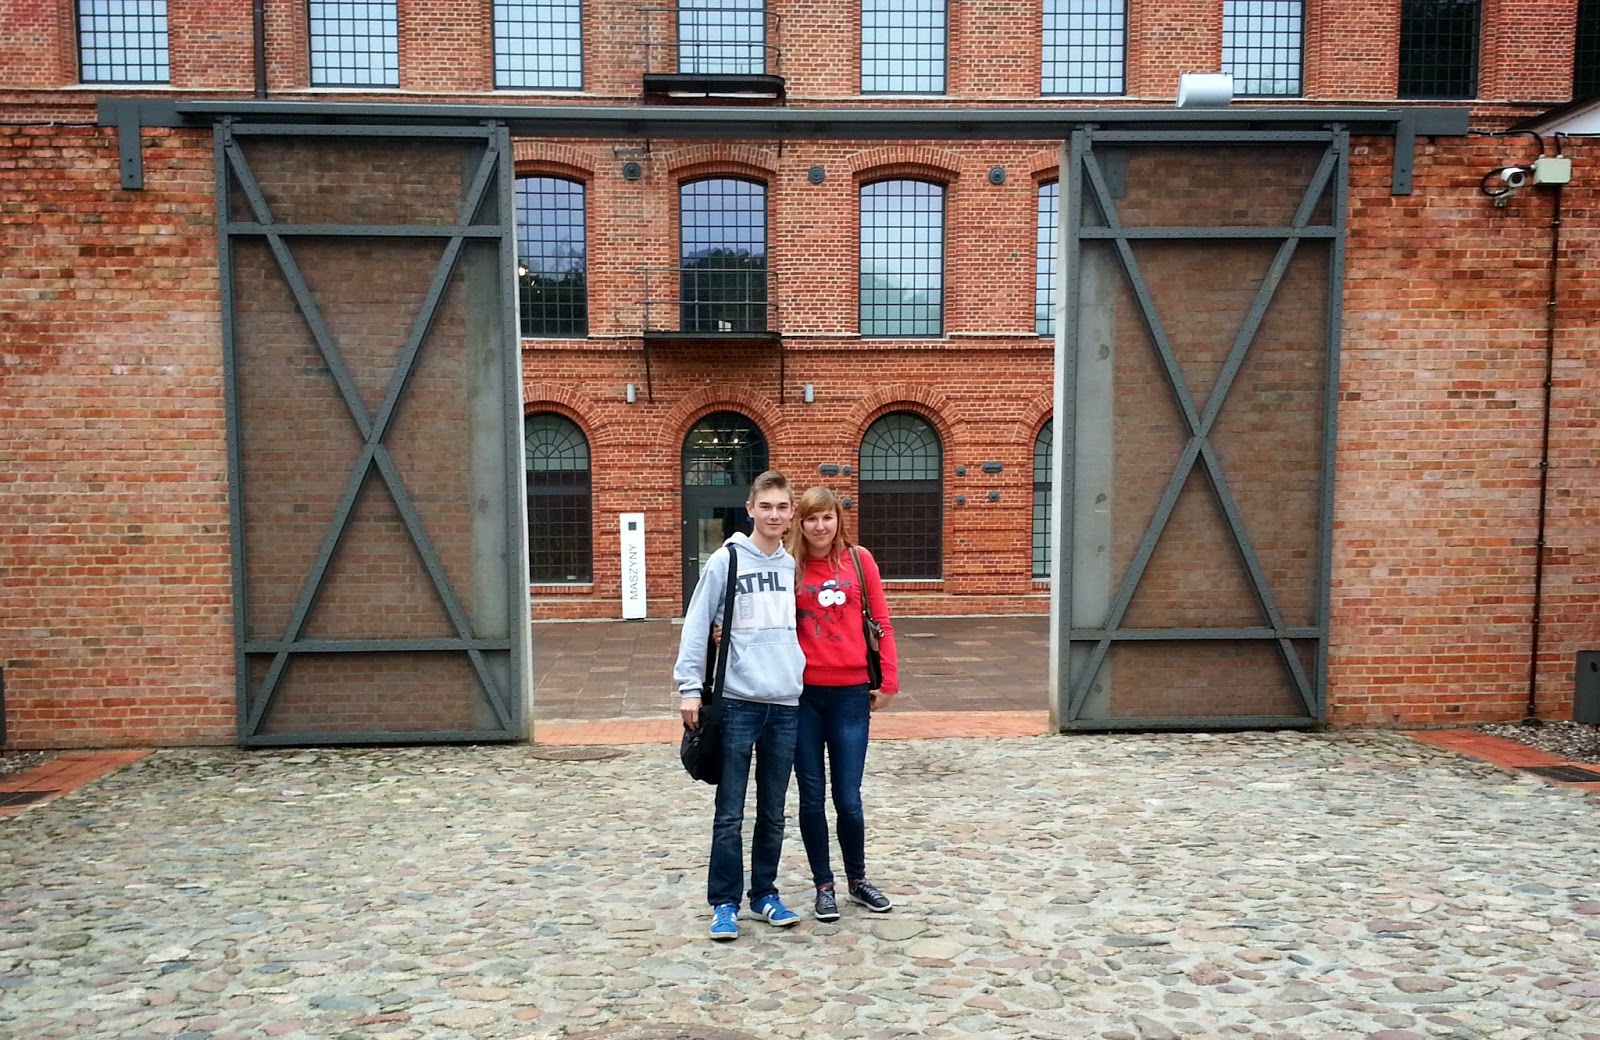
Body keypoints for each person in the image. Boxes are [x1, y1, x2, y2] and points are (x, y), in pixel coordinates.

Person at [673, 469, 809, 941]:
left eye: (782, 507)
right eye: (765, 506)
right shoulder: (725, 560)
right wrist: (690, 687)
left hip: (785, 702)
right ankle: (724, 902)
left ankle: (764, 894)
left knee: (773, 810)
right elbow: (697, 624)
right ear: (750, 509)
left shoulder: (794, 567)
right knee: (729, 811)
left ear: (791, 513)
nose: (774, 515)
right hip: (736, 701)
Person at [786, 485, 899, 921]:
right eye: (811, 518)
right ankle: (823, 885)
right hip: (803, 697)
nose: (820, 526)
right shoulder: (789, 565)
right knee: (811, 797)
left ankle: (857, 879)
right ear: (800, 523)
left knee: (848, 797)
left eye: (827, 517)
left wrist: (888, 679)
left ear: (838, 519)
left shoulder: (859, 561)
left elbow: (882, 621)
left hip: (851, 694)